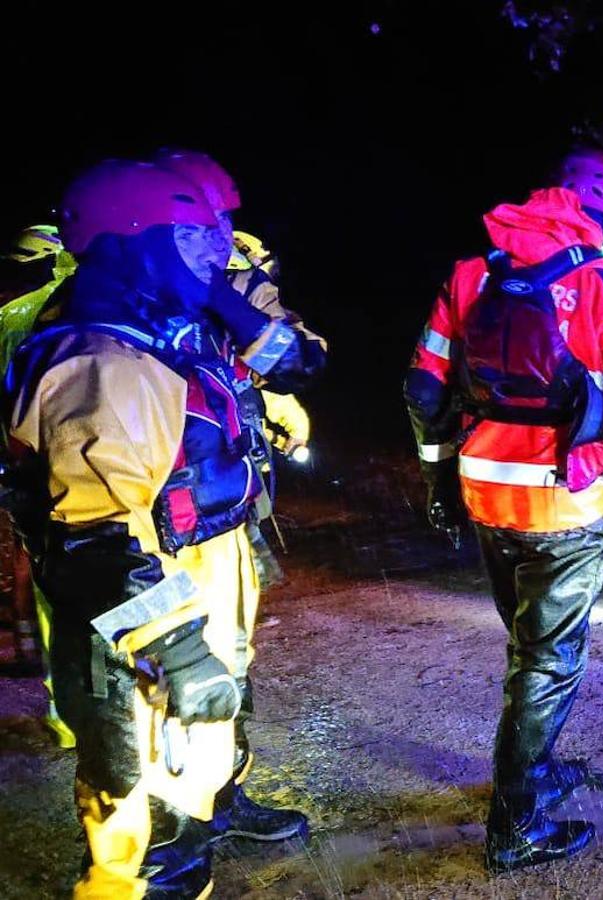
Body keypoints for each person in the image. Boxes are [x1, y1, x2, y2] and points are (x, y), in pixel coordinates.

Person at [403, 146, 603, 873]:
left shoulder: (473, 275)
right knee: (548, 658)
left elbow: (423, 390)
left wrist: (440, 481)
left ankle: (534, 770)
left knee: (530, 648)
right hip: (568, 505)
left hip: (486, 497)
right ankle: (516, 824)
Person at [4, 159, 253, 899]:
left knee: (177, 795)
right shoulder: (105, 359)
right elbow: (96, 541)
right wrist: (176, 647)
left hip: (164, 598)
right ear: (136, 246)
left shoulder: (154, 334)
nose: (218, 247)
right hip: (132, 629)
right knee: (131, 806)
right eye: (196, 233)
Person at [148, 147, 322, 845]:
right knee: (161, 670)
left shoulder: (235, 282)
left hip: (227, 505)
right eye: (205, 222)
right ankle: (168, 828)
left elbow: (302, 358)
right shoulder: (111, 299)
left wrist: (222, 298)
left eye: (225, 221)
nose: (221, 236)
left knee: (231, 657)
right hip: (152, 521)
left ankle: (221, 796)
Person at [0, 224, 79, 747]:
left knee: (52, 594)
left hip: (27, 474)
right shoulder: (69, 309)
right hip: (77, 469)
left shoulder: (8, 318)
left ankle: (66, 713)